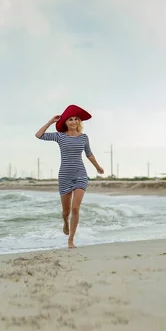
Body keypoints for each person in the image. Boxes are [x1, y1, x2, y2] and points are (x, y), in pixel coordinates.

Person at [35, 104, 104, 248]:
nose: (73, 122)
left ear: (79, 122)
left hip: (80, 174)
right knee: (66, 212)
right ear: (65, 122)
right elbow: (39, 135)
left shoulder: (84, 137)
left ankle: (71, 239)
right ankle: (65, 222)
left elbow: (89, 154)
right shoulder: (60, 136)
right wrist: (50, 122)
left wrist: (97, 167)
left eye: (76, 119)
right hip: (65, 176)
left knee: (75, 208)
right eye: (70, 120)